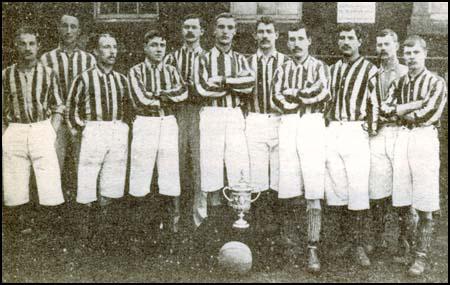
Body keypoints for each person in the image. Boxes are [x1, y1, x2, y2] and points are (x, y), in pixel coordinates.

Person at [382, 35, 447, 276]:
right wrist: (410, 106)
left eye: (415, 53)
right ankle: (408, 248)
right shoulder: (399, 83)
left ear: (425, 54)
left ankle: (420, 256)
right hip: (402, 137)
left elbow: (428, 114)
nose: (410, 58)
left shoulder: (436, 82)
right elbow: (385, 109)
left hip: (424, 138)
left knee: (425, 200)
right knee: (403, 199)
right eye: (407, 54)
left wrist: (401, 110)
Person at [272, 21, 330, 273]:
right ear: (287, 43)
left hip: (312, 124)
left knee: (313, 187)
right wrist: (298, 97)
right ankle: (290, 247)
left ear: (309, 41)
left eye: (300, 39)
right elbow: (276, 97)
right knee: (288, 186)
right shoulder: (281, 68)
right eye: (292, 39)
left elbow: (320, 93)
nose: (296, 44)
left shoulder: (320, 67)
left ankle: (312, 249)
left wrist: (293, 93)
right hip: (287, 124)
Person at [66, 32, 132, 248]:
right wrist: (82, 131)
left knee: (111, 184)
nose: (112, 51)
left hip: (116, 129)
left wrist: (122, 128)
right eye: (106, 47)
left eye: (114, 47)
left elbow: (128, 109)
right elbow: (71, 109)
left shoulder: (121, 79)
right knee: (86, 182)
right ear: (95, 51)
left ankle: (104, 238)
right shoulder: (84, 78)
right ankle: (83, 239)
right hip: (93, 130)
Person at [2, 26, 65, 240]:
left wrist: (51, 131)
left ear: (38, 47)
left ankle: (46, 232)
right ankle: (21, 231)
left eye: (32, 44)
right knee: (15, 180)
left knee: (48, 179)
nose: (27, 48)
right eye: (23, 43)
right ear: (16, 46)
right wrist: (6, 133)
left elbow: (58, 106)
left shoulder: (48, 73)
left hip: (41, 127)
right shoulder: (6, 74)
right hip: (16, 129)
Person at [324, 23, 379, 267]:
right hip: (334, 128)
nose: (345, 42)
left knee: (357, 188)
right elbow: (326, 100)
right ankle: (343, 241)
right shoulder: (332, 69)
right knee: (337, 187)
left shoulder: (370, 69)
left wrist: (370, 130)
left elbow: (374, 104)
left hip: (357, 130)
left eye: (350, 38)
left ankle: (359, 245)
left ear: (359, 42)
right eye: (342, 38)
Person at [193, 12, 255, 220]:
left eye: (230, 27)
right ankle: (215, 223)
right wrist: (234, 85)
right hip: (212, 115)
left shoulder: (240, 59)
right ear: (213, 30)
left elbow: (249, 85)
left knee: (238, 166)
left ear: (235, 31)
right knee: (211, 169)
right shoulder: (202, 58)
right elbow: (202, 89)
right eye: (221, 27)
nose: (225, 32)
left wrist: (222, 80)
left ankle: (237, 219)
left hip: (235, 115)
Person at [128, 30, 187, 243]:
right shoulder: (135, 71)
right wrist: (166, 95)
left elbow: (183, 94)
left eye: (162, 45)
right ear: (145, 47)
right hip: (145, 122)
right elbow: (141, 98)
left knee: (169, 177)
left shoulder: (172, 70)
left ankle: (169, 234)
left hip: (168, 122)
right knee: (140, 176)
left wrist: (159, 95)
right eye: (153, 45)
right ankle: (140, 234)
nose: (159, 49)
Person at [40, 14, 96, 195]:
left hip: (81, 123)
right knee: (53, 169)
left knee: (84, 170)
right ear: (58, 28)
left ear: (79, 31)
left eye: (73, 26)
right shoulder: (46, 59)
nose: (69, 31)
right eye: (65, 26)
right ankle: (55, 216)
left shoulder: (89, 60)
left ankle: (81, 216)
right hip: (57, 124)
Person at [245, 16, 288, 237]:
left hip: (279, 120)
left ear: (276, 35)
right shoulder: (246, 62)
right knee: (257, 178)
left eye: (269, 31)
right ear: (255, 35)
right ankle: (259, 236)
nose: (264, 36)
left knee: (280, 177)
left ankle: (278, 237)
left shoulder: (287, 62)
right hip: (255, 119)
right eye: (260, 32)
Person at [367, 29, 408, 255]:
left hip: (401, 132)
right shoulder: (374, 75)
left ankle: (404, 240)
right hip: (379, 134)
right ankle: (380, 236)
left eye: (387, 44)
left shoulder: (406, 73)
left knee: (402, 186)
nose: (383, 49)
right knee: (377, 188)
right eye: (379, 44)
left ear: (397, 46)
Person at [164, 14, 206, 230]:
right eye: (186, 27)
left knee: (200, 166)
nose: (190, 31)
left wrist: (189, 90)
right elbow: (168, 89)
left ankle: (200, 219)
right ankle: (175, 220)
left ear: (202, 32)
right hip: (177, 114)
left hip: (200, 114)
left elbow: (207, 90)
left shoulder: (208, 57)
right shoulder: (171, 58)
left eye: (194, 28)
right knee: (175, 165)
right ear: (181, 30)